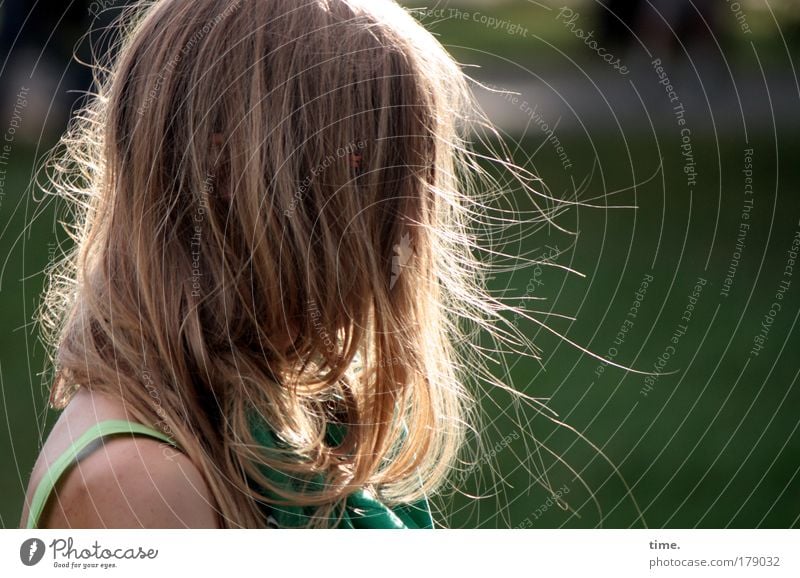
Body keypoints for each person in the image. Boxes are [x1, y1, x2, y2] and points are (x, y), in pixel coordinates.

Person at [20, 0, 545, 529]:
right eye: (369, 167)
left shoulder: (294, 411)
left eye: (415, 170)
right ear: (224, 174)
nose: (413, 219)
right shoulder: (136, 483)